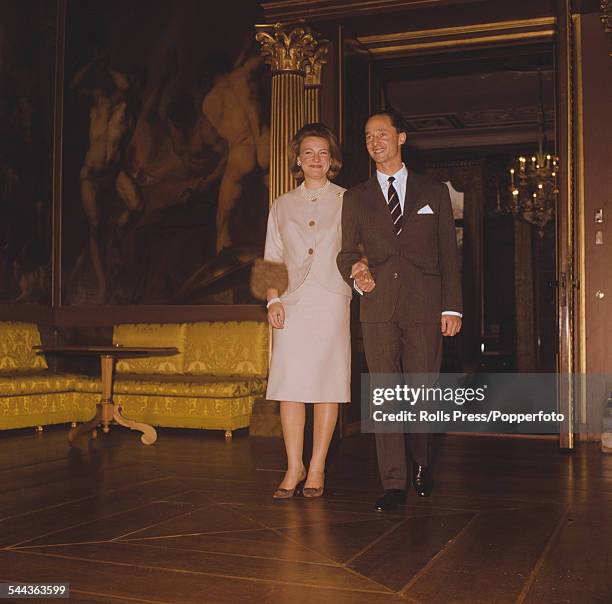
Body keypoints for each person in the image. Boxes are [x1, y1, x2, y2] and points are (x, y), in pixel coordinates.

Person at [337, 110, 462, 511]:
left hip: (426, 306)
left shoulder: (434, 191)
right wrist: (356, 270)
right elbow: (345, 254)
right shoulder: (355, 197)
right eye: (368, 135)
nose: (375, 141)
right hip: (377, 309)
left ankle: (422, 460)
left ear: (401, 137)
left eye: (382, 133)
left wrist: (452, 309)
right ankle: (393, 482)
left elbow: (449, 254)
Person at [255, 123, 351, 499]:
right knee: (290, 386)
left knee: (328, 383)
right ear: (297, 159)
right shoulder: (281, 204)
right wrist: (273, 299)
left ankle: (317, 468)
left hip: (330, 300)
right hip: (291, 303)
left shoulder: (349, 199)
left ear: (332, 160)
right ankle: (293, 466)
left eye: (323, 153)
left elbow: (358, 252)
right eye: (309, 153)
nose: (316, 159)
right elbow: (271, 256)